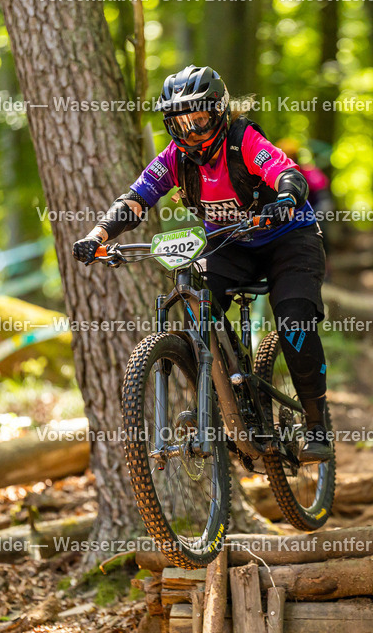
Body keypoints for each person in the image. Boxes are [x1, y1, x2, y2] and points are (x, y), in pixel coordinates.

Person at [71, 65, 333, 462]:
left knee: (294, 318)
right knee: (198, 310)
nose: (191, 133)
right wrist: (98, 236)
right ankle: (231, 403)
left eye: (200, 120)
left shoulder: (242, 139)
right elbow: (135, 199)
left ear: (220, 112)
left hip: (288, 238)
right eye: (180, 124)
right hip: (229, 243)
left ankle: (316, 426)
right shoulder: (175, 158)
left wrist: (284, 200)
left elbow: (285, 172)